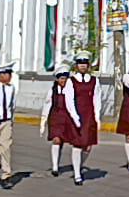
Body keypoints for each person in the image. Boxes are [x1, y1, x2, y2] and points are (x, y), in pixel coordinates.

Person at [39, 64, 82, 182]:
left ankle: (76, 167)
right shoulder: (52, 90)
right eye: (61, 78)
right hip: (56, 118)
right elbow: (47, 105)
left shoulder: (71, 88)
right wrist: (43, 122)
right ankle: (55, 167)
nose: (63, 80)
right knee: (57, 140)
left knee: (71, 141)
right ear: (57, 79)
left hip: (68, 118)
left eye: (65, 78)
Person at [69, 52, 100, 181]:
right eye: (80, 63)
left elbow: (96, 99)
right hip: (77, 114)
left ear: (88, 65)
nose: (82, 66)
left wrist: (97, 117)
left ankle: (79, 164)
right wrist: (74, 117)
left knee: (87, 145)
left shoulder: (94, 80)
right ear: (76, 65)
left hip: (89, 115)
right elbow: (69, 100)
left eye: (85, 63)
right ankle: (77, 173)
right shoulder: (71, 81)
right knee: (78, 144)